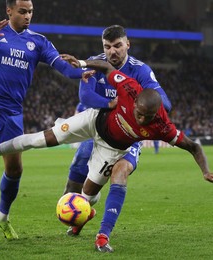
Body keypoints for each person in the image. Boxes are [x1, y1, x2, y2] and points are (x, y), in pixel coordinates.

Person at [0, 57, 213, 253]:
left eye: (145, 116)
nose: (140, 117)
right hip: (93, 121)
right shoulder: (130, 87)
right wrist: (83, 63)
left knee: (88, 196)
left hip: (111, 149)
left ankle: (85, 217)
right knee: (39, 139)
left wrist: (205, 171)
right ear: (136, 98)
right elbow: (107, 67)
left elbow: (194, 146)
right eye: (138, 112)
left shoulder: (162, 127)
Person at [0, 0, 83, 253]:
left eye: (30, 11)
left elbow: (64, 67)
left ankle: (2, 216)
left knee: (15, 169)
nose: (27, 16)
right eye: (22, 11)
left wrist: (84, 70)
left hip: (13, 112)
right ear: (9, 10)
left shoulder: (39, 42)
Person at [63, 25, 171, 236]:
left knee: (117, 173)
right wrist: (111, 104)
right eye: (107, 47)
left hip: (128, 135)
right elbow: (85, 97)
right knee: (79, 165)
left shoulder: (140, 70)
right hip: (97, 128)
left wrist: (135, 105)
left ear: (127, 45)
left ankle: (103, 233)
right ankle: (74, 209)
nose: (112, 51)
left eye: (118, 46)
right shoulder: (95, 62)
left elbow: (165, 103)